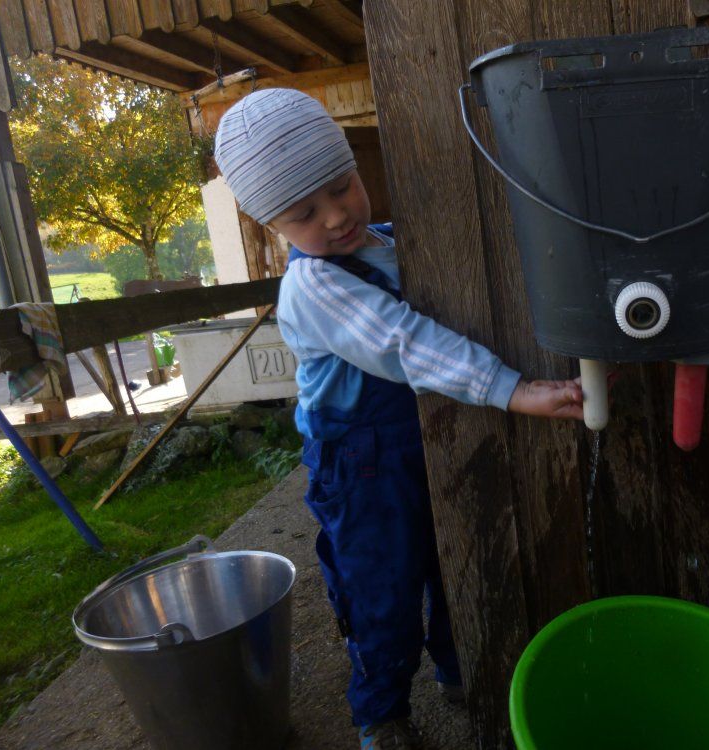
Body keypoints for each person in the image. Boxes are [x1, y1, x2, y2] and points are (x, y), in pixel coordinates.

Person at [214, 88, 584, 750]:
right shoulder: (315, 286)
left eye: (342, 186)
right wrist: (512, 389)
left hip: (416, 438)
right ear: (273, 226)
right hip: (359, 462)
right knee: (380, 585)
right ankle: (380, 713)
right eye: (304, 213)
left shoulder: (385, 243)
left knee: (449, 556)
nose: (334, 217)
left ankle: (455, 668)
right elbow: (404, 342)